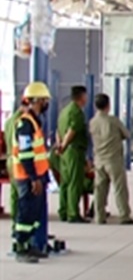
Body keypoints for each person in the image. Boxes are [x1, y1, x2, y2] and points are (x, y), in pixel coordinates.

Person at [11, 82, 53, 263]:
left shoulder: (34, 122)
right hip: (28, 177)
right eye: (44, 100)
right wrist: (34, 178)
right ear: (35, 101)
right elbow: (25, 154)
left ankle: (29, 246)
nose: (46, 104)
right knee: (25, 213)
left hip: (37, 176)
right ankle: (21, 247)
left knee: (34, 214)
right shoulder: (25, 125)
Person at [89, 93, 133, 225]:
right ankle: (124, 215)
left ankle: (99, 216)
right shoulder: (113, 121)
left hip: (99, 160)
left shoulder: (92, 122)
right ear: (108, 105)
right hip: (113, 159)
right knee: (119, 188)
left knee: (99, 189)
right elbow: (126, 134)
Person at [56, 85, 89, 223]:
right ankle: (73, 213)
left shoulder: (64, 111)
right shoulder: (76, 112)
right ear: (81, 97)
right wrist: (64, 145)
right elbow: (72, 130)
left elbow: (58, 130)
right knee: (75, 182)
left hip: (63, 152)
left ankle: (63, 211)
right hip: (73, 150)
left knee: (65, 182)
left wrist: (60, 146)